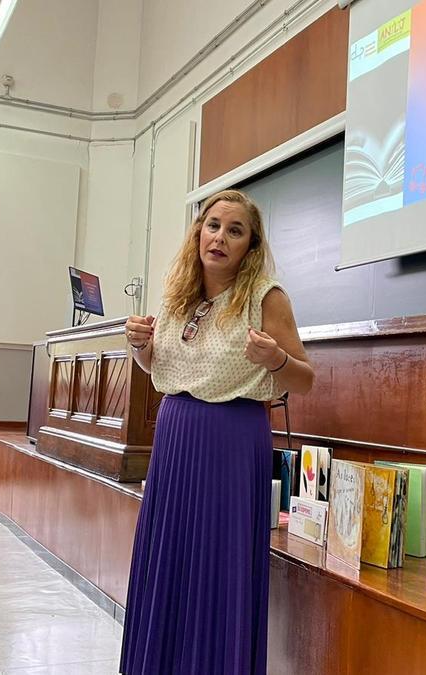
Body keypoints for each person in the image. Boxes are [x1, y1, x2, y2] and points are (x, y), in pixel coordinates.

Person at [119, 190, 314, 674]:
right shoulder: (178, 292)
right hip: (175, 437)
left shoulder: (266, 296)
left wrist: (276, 359)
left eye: (234, 230)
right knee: (170, 558)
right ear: (198, 232)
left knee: (218, 564)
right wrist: (139, 346)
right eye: (212, 225)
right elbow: (158, 368)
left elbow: (304, 379)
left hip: (231, 439)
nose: (220, 238)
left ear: (250, 245)